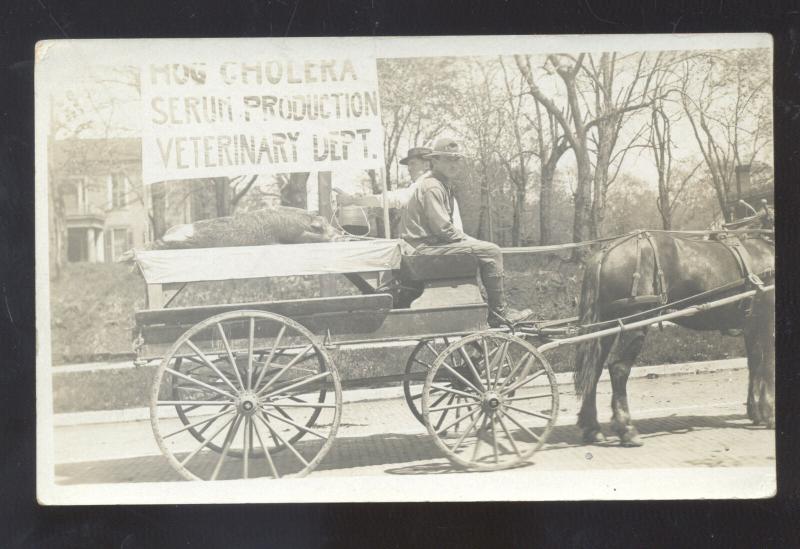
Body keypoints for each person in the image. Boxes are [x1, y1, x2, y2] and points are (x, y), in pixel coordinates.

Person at [400, 137, 532, 327]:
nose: (453, 164)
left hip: (424, 249)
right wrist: (473, 242)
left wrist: (470, 242)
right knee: (491, 251)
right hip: (422, 251)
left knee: (482, 250)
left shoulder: (439, 184)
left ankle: (482, 304)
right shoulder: (432, 186)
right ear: (434, 161)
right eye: (447, 159)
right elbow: (444, 229)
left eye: (456, 160)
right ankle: (499, 313)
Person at [334, 146, 464, 231]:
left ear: (426, 165)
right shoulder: (429, 183)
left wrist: (353, 201)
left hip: (445, 252)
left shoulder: (427, 184)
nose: (409, 168)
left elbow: (395, 199)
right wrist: (362, 199)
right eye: (408, 165)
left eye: (413, 163)